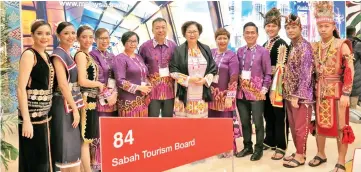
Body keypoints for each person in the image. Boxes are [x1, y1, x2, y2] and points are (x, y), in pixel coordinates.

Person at [308, 2, 355, 172]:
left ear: (333, 26)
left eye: (326, 26)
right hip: (319, 91)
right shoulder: (314, 46)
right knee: (319, 125)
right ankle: (321, 154)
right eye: (320, 26)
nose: (323, 29)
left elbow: (350, 69)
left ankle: (341, 161)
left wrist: (346, 93)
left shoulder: (341, 44)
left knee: (342, 126)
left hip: (337, 91)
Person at [17, 20, 54, 172]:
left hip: (46, 117)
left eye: (47, 33)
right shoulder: (29, 55)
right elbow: (20, 88)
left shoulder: (46, 54)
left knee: (44, 159)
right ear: (32, 35)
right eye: (39, 33)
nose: (44, 37)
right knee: (34, 161)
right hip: (32, 118)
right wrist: (26, 120)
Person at [281, 14, 315, 168]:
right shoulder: (292, 45)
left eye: (294, 27)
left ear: (300, 28)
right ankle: (299, 151)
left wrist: (297, 95)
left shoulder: (305, 46)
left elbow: (306, 73)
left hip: (301, 97)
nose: (290, 30)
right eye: (288, 28)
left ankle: (301, 156)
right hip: (289, 94)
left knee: (301, 126)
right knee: (294, 126)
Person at [235, 22, 272, 161]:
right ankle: (247, 146)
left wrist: (264, 89)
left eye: (253, 32)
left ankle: (259, 149)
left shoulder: (263, 52)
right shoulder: (239, 51)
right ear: (243, 35)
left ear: (257, 34)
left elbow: (268, 73)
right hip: (241, 93)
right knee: (244, 122)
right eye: (247, 32)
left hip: (256, 93)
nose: (250, 35)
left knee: (258, 122)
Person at [50, 21, 83, 172]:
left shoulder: (67, 53)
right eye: (66, 33)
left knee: (72, 146)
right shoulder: (58, 55)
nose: (70, 36)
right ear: (58, 35)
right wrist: (75, 109)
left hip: (70, 102)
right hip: (63, 104)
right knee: (65, 145)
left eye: (72, 33)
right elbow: (63, 85)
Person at [169, 21, 217, 118]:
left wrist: (205, 80)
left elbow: (213, 68)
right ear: (184, 34)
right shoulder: (179, 50)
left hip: (201, 92)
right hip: (184, 91)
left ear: (199, 33)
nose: (192, 34)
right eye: (189, 32)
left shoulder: (206, 48)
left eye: (195, 31)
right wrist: (189, 79)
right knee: (183, 126)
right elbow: (173, 71)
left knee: (199, 124)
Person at [261, 7, 289, 160]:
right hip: (266, 85)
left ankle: (281, 145)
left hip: (278, 86)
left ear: (278, 27)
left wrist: (274, 89)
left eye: (274, 25)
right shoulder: (265, 43)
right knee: (268, 114)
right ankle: (270, 140)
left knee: (279, 116)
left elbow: (280, 69)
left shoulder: (282, 44)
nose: (270, 28)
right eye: (268, 25)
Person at [74, 25, 104, 172]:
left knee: (87, 139)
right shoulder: (80, 55)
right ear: (78, 38)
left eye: (90, 37)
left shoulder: (88, 55)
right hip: (85, 100)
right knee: (84, 140)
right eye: (84, 37)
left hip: (91, 100)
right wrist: (99, 84)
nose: (88, 40)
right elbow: (82, 80)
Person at [208, 28, 240, 157]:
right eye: (219, 38)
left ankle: (227, 148)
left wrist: (230, 97)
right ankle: (216, 146)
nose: (222, 41)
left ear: (228, 40)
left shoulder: (232, 55)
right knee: (212, 122)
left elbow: (234, 77)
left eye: (224, 38)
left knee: (225, 123)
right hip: (211, 95)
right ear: (215, 40)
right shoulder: (211, 53)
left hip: (225, 95)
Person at [89, 28, 117, 170]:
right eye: (101, 38)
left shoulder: (112, 55)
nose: (105, 41)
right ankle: (98, 164)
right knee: (99, 131)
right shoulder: (92, 55)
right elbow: (97, 78)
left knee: (111, 131)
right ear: (95, 40)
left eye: (107, 38)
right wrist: (107, 96)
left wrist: (115, 95)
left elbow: (117, 76)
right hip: (101, 100)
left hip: (114, 100)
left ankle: (111, 160)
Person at [139, 18, 177, 117]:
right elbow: (140, 67)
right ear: (152, 30)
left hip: (170, 90)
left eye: (163, 27)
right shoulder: (145, 47)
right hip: (152, 91)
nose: (160, 30)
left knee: (168, 120)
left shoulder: (173, 46)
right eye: (157, 28)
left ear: (167, 29)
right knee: (152, 119)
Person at [114, 31, 151, 117]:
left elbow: (144, 74)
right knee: (129, 128)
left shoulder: (139, 57)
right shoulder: (120, 58)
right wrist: (139, 88)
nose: (132, 43)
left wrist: (148, 85)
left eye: (135, 41)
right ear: (124, 42)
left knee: (142, 127)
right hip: (128, 101)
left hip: (142, 99)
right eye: (129, 41)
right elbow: (120, 81)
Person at [346, 25, 361, 109]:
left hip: (345, 75)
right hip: (356, 76)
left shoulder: (342, 43)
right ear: (354, 33)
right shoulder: (358, 44)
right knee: (353, 106)